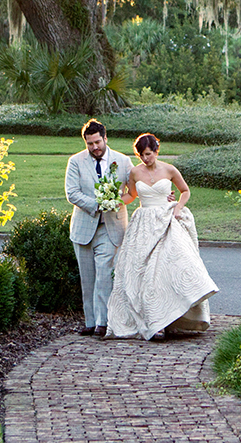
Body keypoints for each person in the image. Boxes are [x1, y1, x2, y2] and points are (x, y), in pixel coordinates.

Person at [105, 133, 219, 341]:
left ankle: (172, 316)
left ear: (156, 151)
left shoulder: (169, 169)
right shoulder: (135, 172)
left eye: (148, 154)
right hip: (144, 222)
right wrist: (112, 201)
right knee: (144, 273)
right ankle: (154, 321)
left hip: (166, 218)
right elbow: (131, 195)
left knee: (170, 268)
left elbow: (185, 191)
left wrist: (178, 207)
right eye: (141, 155)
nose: (145, 159)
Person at [66, 118, 135, 337]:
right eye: (90, 144)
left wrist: (117, 202)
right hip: (84, 227)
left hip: (111, 226)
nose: (94, 147)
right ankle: (90, 321)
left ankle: (103, 323)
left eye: (97, 142)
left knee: (104, 274)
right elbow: (72, 193)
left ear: (105, 138)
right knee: (88, 277)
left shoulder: (123, 161)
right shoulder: (75, 162)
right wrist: (97, 204)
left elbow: (133, 190)